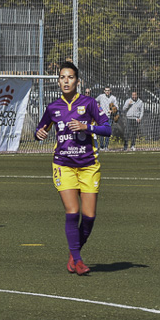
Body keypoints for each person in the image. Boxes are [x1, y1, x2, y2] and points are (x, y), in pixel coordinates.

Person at [34, 62, 111, 276]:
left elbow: (107, 128)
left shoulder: (89, 103)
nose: (66, 81)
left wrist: (87, 127)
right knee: (72, 211)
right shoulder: (53, 108)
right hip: (63, 165)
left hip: (88, 166)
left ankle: (73, 255)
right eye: (62, 77)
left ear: (78, 81)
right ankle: (77, 261)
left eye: (70, 77)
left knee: (89, 216)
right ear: (58, 81)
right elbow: (40, 129)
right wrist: (38, 134)